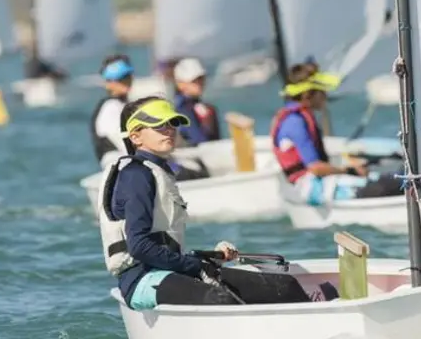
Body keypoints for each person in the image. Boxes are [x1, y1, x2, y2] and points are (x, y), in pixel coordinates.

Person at [97, 96, 317, 308]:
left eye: (172, 123)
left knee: (285, 287)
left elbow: (164, 246)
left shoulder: (158, 171)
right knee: (221, 301)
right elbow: (139, 247)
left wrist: (206, 258)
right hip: (142, 279)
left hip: (170, 270)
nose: (170, 130)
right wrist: (194, 266)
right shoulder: (136, 176)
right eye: (159, 125)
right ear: (136, 137)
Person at [270, 63, 405, 205]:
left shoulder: (294, 118)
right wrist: (348, 170)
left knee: (388, 180)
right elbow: (315, 168)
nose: (325, 96)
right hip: (313, 188)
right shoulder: (296, 122)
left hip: (318, 184)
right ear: (307, 95)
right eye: (321, 91)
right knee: (390, 185)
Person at [90, 55, 134, 168]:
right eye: (119, 79)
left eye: (127, 76)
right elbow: (122, 142)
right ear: (108, 83)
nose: (126, 81)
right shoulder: (110, 107)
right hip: (118, 163)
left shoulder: (125, 105)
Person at [172, 58, 221, 146]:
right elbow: (198, 139)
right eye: (194, 81)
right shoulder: (181, 108)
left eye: (201, 79)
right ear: (180, 83)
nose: (199, 83)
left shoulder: (202, 107)